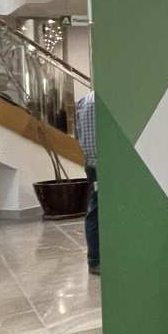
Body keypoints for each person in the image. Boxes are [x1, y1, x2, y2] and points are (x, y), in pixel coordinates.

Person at [75, 90, 100, 274]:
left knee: (96, 210)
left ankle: (96, 259)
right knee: (96, 212)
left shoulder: (84, 101)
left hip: (92, 165)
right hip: (103, 166)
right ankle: (95, 260)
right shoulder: (99, 102)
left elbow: (79, 136)